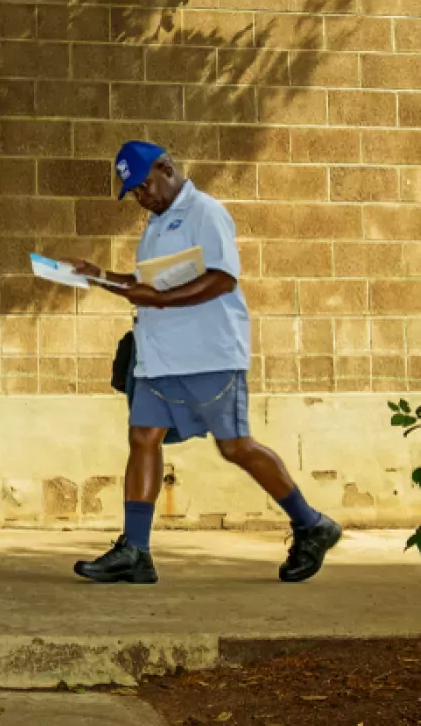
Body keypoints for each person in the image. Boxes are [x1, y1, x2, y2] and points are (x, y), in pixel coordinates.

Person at [66, 140, 341, 585]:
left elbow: (221, 277)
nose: (141, 196)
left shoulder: (206, 212)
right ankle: (136, 550)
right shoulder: (156, 225)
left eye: (144, 185)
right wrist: (97, 275)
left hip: (208, 354)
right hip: (159, 356)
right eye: (134, 191)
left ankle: (312, 524)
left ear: (166, 167)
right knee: (142, 438)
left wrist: (159, 298)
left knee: (235, 447)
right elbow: (145, 284)